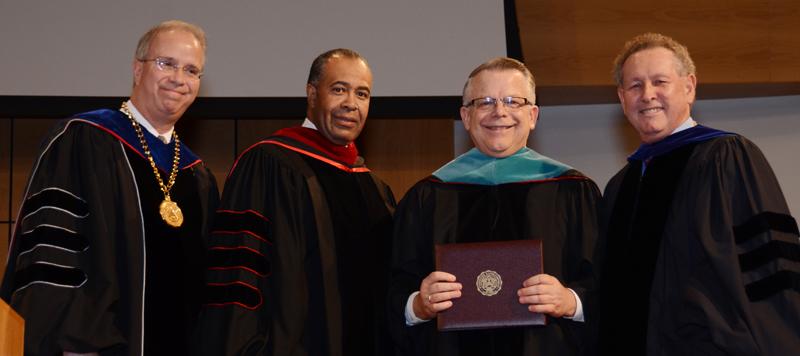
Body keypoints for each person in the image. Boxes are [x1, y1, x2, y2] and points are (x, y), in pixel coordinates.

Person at [0, 20, 218, 355]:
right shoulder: (83, 140)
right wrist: (76, 343)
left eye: (192, 70)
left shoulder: (198, 177)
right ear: (136, 69)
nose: (179, 79)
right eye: (167, 64)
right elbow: (53, 260)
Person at [595, 32, 800, 355]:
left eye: (660, 81)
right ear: (622, 98)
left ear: (689, 86)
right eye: (635, 86)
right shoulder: (620, 186)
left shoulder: (727, 157)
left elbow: (767, 271)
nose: (647, 95)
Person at [387, 57, 600, 356]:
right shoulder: (428, 196)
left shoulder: (573, 191)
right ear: (466, 115)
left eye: (514, 101)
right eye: (485, 102)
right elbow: (394, 288)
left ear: (533, 115)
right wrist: (418, 305)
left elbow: (605, 282)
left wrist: (570, 301)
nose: (500, 112)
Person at [195, 48, 396, 356]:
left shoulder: (374, 189)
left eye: (362, 94)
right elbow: (239, 277)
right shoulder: (267, 165)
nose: (350, 104)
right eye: (339, 89)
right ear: (312, 94)